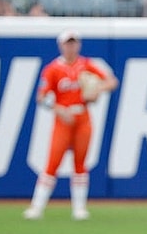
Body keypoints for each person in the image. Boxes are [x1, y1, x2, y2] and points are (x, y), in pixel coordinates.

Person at [23, 30, 119, 221]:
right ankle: (37, 207)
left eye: (74, 43)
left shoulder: (85, 65)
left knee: (80, 164)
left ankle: (79, 209)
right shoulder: (53, 69)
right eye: (68, 43)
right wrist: (58, 109)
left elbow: (112, 82)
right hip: (63, 119)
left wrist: (95, 89)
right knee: (52, 163)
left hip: (82, 117)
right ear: (61, 46)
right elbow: (41, 97)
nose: (71, 47)